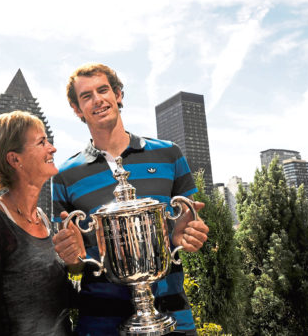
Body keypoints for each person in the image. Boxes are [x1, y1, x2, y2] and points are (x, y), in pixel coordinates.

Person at [52, 63, 209, 336]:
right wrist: (72, 257)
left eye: (103, 90)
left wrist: (188, 235)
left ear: (118, 95)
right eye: (86, 96)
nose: (98, 99)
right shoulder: (65, 175)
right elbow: (74, 264)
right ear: (77, 110)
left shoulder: (169, 155)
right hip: (99, 324)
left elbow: (187, 225)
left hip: (172, 317)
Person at [0, 110, 77, 335]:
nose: (52, 148)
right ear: (15, 159)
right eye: (41, 142)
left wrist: (90, 260)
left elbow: (61, 297)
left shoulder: (44, 218)